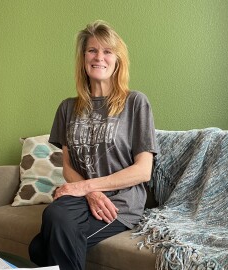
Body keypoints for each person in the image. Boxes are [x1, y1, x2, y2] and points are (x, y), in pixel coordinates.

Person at [28, 20, 158, 270]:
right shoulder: (67, 108)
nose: (99, 57)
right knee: (54, 214)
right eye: (92, 50)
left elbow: (143, 170)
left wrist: (86, 186)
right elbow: (67, 165)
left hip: (118, 203)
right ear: (83, 58)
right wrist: (89, 193)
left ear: (118, 60)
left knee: (39, 248)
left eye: (107, 51)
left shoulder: (135, 103)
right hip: (82, 197)